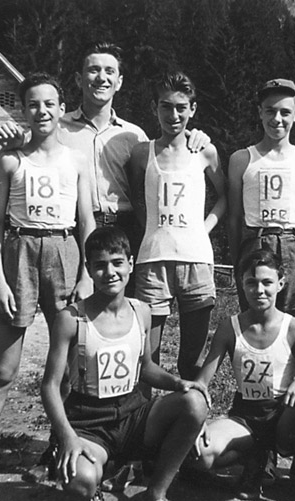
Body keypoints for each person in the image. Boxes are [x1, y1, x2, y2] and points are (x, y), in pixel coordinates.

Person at [0, 73, 95, 501]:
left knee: (68, 366)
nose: (42, 112)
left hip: (65, 253)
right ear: (23, 111)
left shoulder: (76, 161)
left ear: (61, 106)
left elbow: (86, 220)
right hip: (20, 255)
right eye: (33, 105)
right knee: (4, 370)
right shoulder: (12, 161)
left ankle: (60, 451)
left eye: (50, 103)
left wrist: (86, 271)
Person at [0, 42, 209, 293]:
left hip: (125, 229)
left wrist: (198, 138)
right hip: (77, 230)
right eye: (93, 70)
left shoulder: (134, 135)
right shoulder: (55, 127)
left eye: (109, 71)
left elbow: (166, 160)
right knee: (78, 310)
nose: (101, 78)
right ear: (79, 78)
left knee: (125, 312)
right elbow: (11, 164)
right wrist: (12, 145)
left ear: (119, 82)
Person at [41, 226, 210, 501]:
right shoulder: (71, 319)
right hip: (89, 421)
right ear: (89, 269)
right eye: (100, 265)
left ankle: (155, 495)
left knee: (194, 402)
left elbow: (144, 368)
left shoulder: (141, 310)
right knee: (81, 481)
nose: (110, 272)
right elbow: (49, 386)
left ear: (130, 264)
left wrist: (177, 383)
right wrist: (67, 435)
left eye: (117, 262)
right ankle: (92, 491)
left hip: (132, 414)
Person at [189, 249, 295, 501]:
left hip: (283, 417)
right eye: (251, 283)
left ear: (281, 283)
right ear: (241, 284)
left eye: (267, 282)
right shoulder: (230, 327)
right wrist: (197, 421)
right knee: (201, 456)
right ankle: (255, 458)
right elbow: (202, 382)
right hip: (246, 418)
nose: (259, 290)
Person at [127, 71, 226, 380]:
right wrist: (151, 229)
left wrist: (204, 227)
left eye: (181, 107)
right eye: (166, 106)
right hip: (153, 260)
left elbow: (224, 198)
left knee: (192, 361)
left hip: (196, 260)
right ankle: (143, 423)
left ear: (192, 110)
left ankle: (188, 423)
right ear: (155, 108)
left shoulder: (204, 151)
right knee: (147, 359)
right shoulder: (142, 153)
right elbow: (136, 198)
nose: (174, 115)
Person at [227, 78, 295, 376]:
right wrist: (239, 258)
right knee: (261, 333)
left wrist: (293, 242)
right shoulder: (242, 159)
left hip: (294, 246)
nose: (277, 119)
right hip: (255, 246)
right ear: (259, 113)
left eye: (285, 112)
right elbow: (234, 217)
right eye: (270, 111)